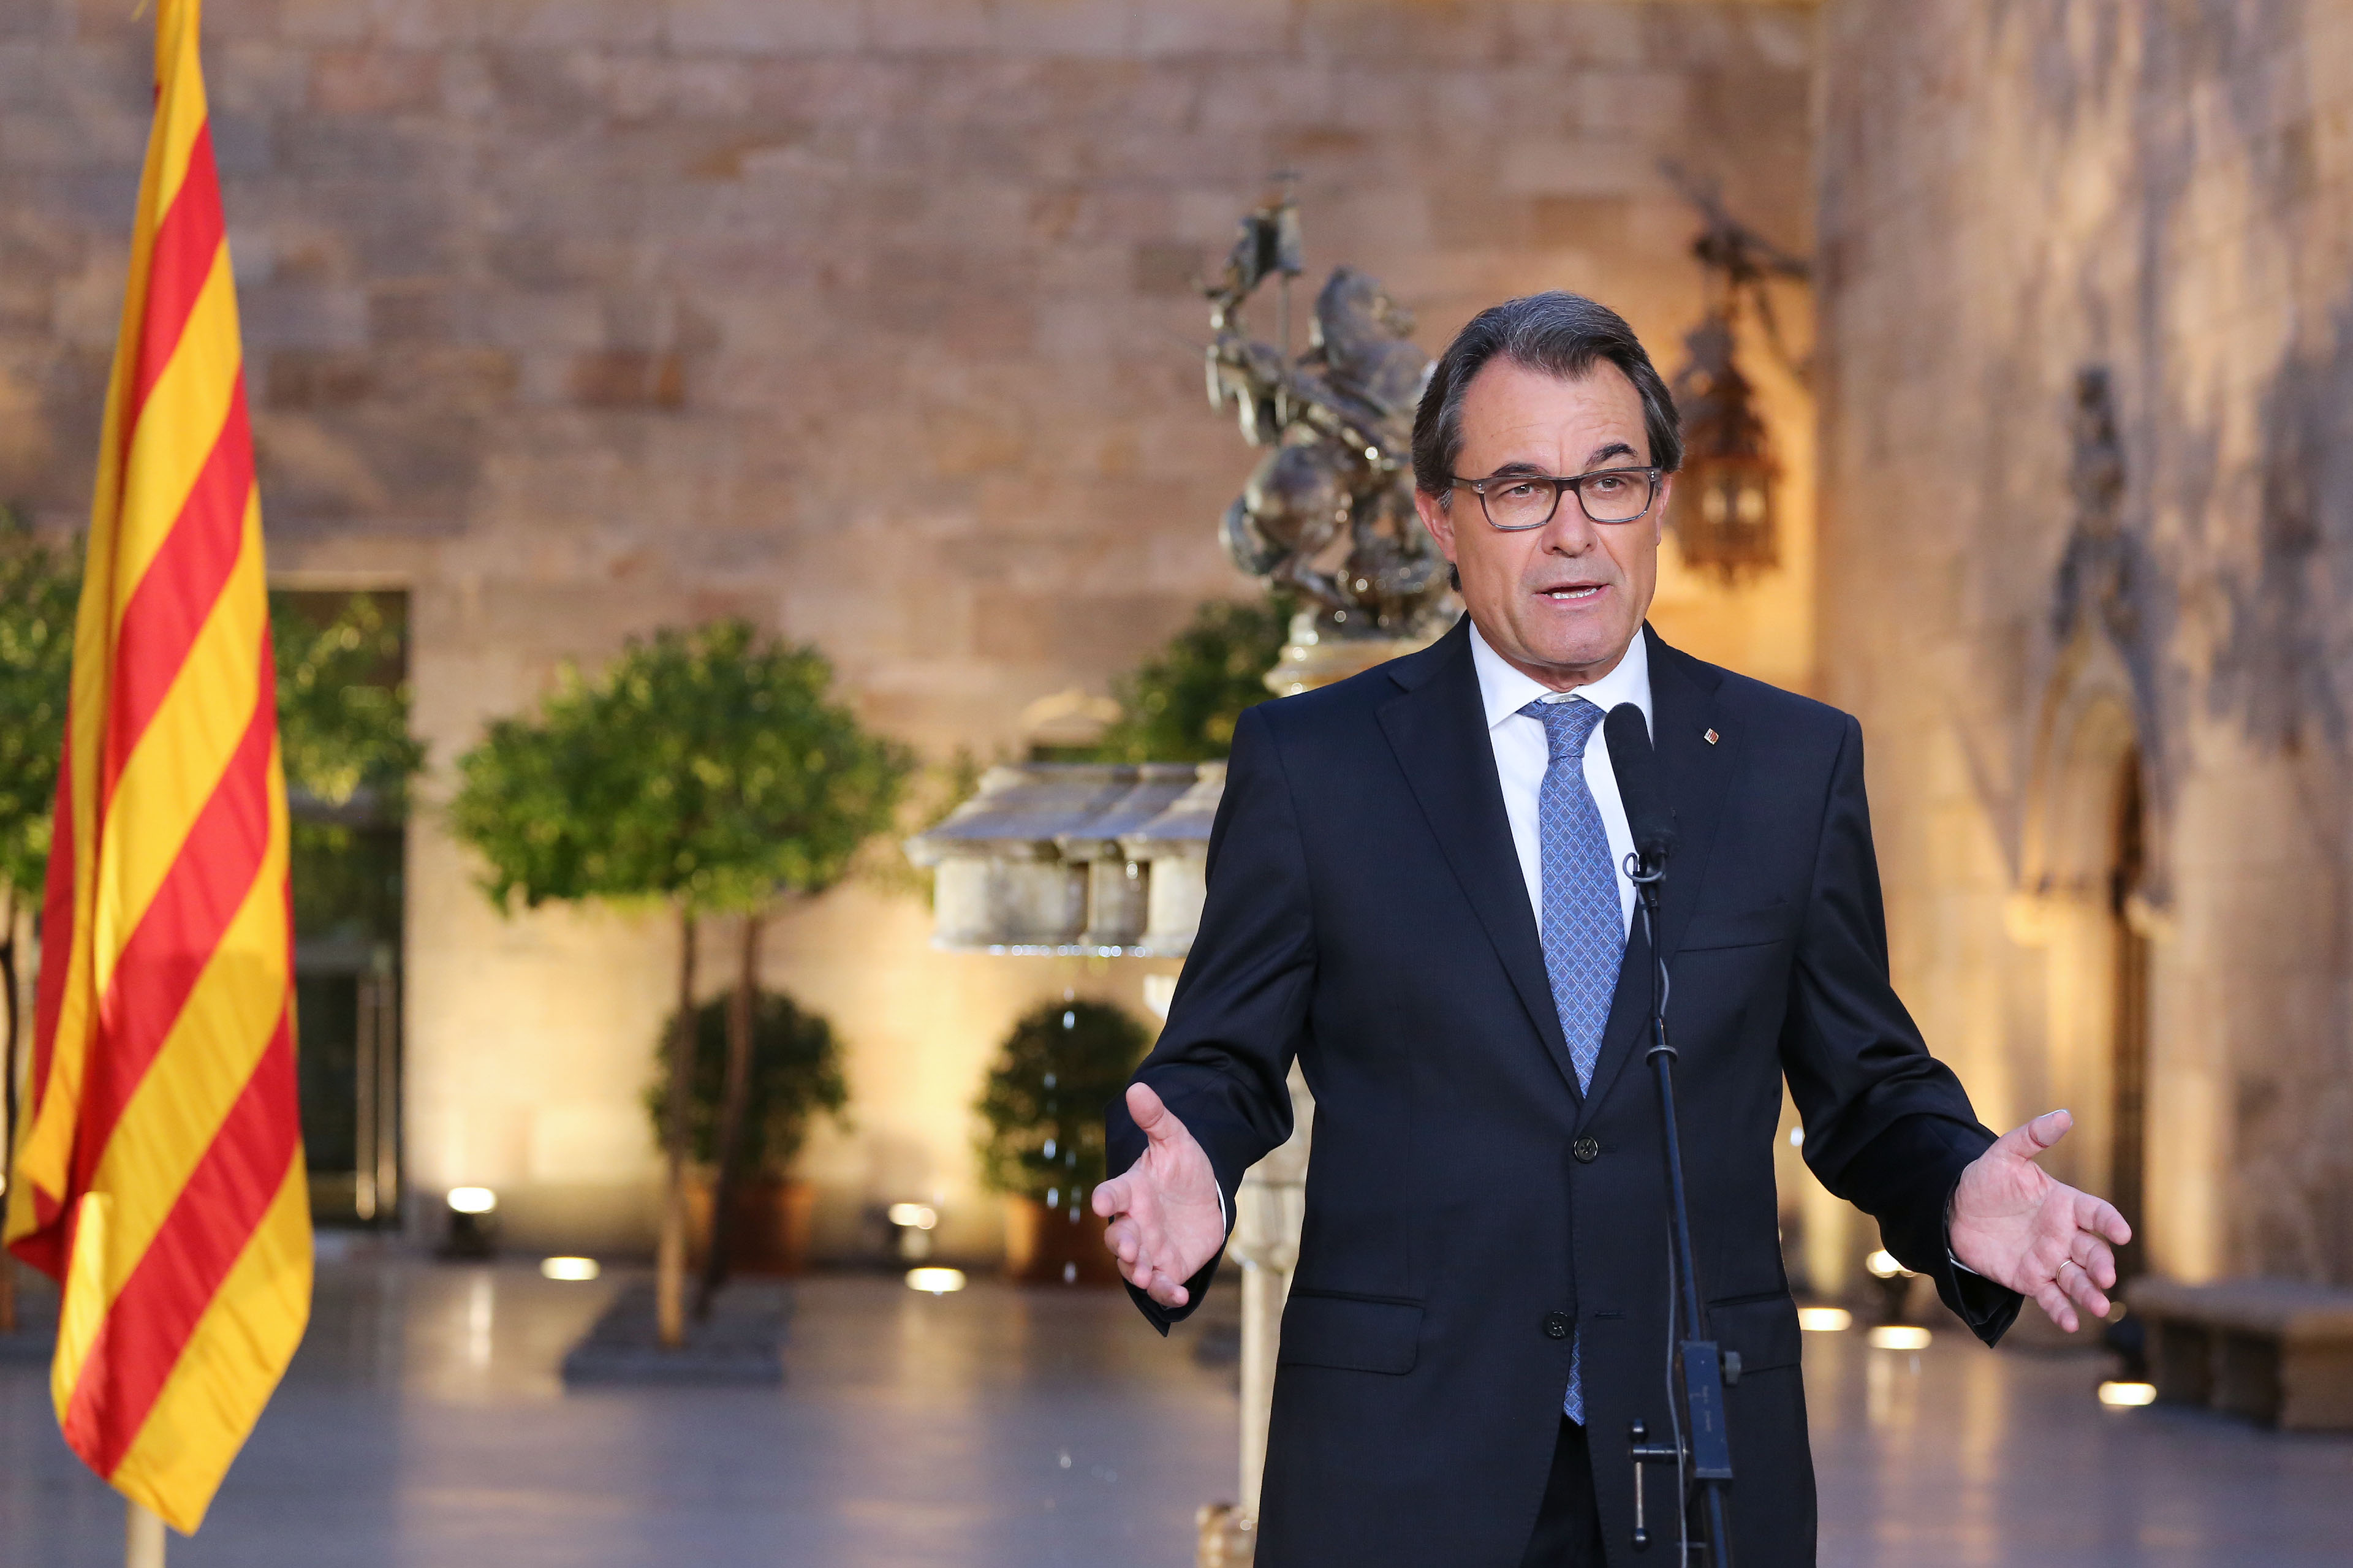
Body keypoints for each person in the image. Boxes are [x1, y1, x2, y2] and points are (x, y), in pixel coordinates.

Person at [1091, 292, 2131, 1567]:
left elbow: (1865, 1082)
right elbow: (1220, 1056)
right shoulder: (1320, 765)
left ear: (1663, 500)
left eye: (1611, 479)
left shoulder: (1787, 763)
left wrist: (1958, 1180)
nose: (1575, 530)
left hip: (1700, 1457)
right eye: (1520, 487)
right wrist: (1184, 1153)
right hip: (1399, 1463)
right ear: (1442, 517)